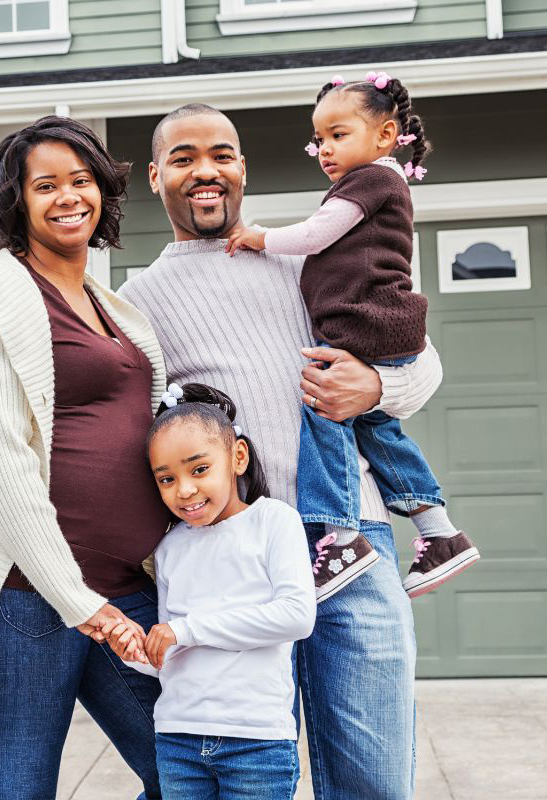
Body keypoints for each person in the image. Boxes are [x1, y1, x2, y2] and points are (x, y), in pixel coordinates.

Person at [118, 101, 444, 799]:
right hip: (231, 563)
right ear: (154, 176)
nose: (205, 171)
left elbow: (424, 371)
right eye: (183, 158)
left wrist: (373, 386)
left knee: (373, 779)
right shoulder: (136, 301)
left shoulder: (308, 255)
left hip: (350, 542)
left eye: (222, 155)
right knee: (244, 776)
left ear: (243, 168)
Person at [0, 116, 170, 800]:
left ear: (104, 192)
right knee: (15, 791)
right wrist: (81, 603)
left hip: (126, 591)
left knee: (197, 773)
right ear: (17, 202)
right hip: (24, 599)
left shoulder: (112, 307)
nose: (68, 197)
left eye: (81, 181)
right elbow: (1, 468)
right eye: (45, 184)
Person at [225, 72, 479, 601]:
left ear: (385, 135)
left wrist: (259, 238)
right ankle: (440, 532)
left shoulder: (371, 180)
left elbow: (316, 234)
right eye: (318, 138)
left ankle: (343, 536)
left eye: (338, 135)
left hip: (367, 324)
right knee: (378, 431)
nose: (324, 149)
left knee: (325, 413)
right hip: (382, 326)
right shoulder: (379, 182)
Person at [103, 383, 316, 800]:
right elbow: (172, 653)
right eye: (166, 479)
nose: (184, 490)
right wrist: (138, 653)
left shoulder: (275, 522)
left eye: (199, 469)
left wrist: (186, 630)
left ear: (237, 457)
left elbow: (297, 615)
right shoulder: (169, 548)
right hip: (178, 738)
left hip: (256, 741)